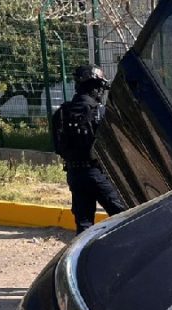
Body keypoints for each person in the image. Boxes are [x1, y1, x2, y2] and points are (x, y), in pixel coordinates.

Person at [52, 65, 125, 233]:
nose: (101, 92)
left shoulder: (61, 113)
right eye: (100, 88)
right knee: (124, 217)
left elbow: (58, 147)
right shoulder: (101, 112)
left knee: (84, 226)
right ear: (95, 87)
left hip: (74, 175)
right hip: (97, 173)